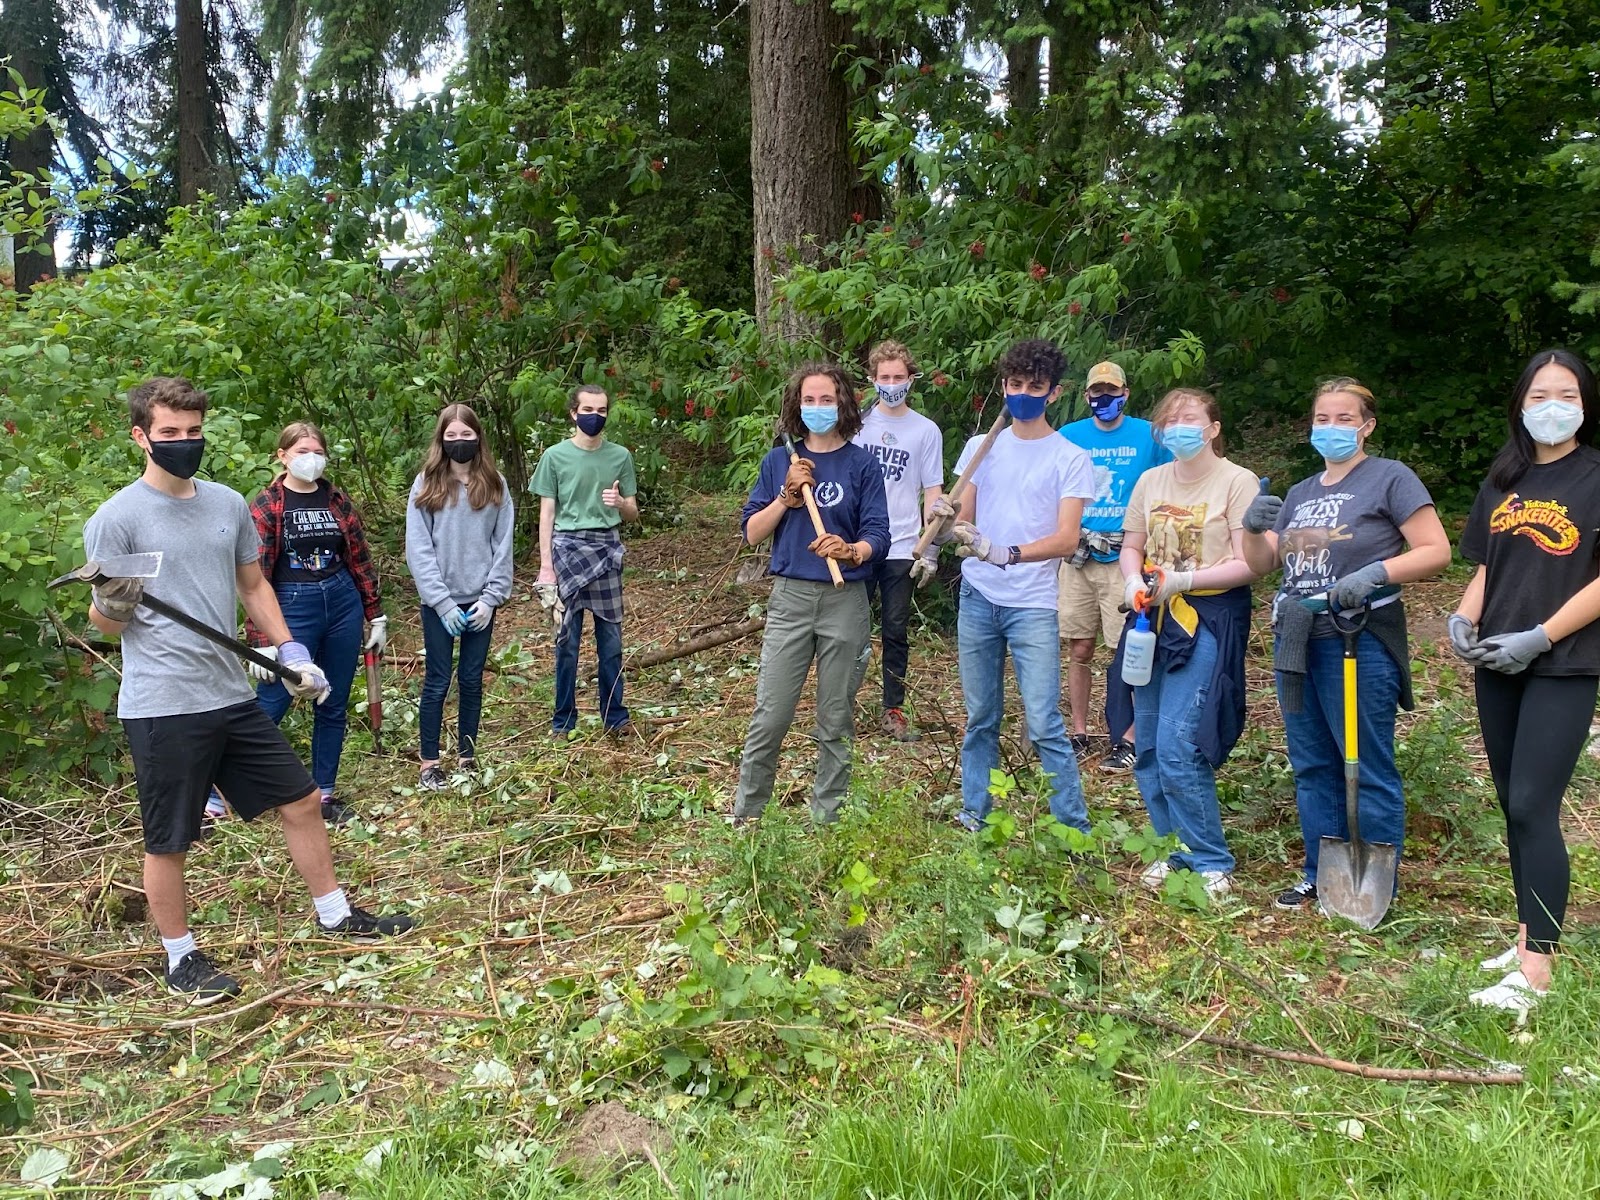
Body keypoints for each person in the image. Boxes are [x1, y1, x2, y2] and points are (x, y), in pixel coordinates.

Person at [83, 377, 412, 1005]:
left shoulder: (229, 504)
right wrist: (111, 603)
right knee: (170, 836)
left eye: (193, 431)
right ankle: (180, 960)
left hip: (229, 693)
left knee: (301, 799)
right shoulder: (116, 519)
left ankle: (336, 914)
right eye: (170, 433)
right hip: (164, 705)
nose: (184, 443)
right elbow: (103, 626)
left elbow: (254, 585)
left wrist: (289, 648)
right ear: (141, 437)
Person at [1240, 379, 1450, 911]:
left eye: (1343, 418)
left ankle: (1379, 884)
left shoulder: (1389, 478)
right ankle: (1322, 874)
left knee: (1366, 762)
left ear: (1367, 425)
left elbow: (1435, 550)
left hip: (1356, 640)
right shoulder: (1302, 492)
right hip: (1298, 641)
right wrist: (1251, 527)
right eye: (1322, 418)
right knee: (1313, 763)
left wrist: (1377, 572)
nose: (1331, 428)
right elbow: (1263, 566)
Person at [1450, 349, 1600, 1014]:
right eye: (1539, 395)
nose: (1552, 406)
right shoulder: (1504, 476)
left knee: (1535, 805)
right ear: (1520, 404)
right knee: (1515, 805)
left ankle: (1535, 978)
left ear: (1586, 403)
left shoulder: (1597, 476)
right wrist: (1462, 615)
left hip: (1563, 662)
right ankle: (1526, 939)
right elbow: (1489, 563)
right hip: (1497, 660)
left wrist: (1543, 636)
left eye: (1565, 394)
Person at [929, 338, 1096, 834]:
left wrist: (1011, 553)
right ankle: (974, 815)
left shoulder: (1069, 456)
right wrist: (946, 521)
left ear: (1053, 392)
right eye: (1016, 384)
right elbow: (963, 517)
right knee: (981, 717)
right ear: (1004, 385)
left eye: (1035, 386)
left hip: (1033, 604)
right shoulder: (983, 447)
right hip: (978, 597)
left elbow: (1068, 538)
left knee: (1044, 721)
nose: (1024, 393)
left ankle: (1074, 828)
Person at [731, 362, 890, 826]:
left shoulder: (862, 463)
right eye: (808, 400)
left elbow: (879, 534)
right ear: (796, 407)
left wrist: (851, 550)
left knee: (835, 717)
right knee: (771, 714)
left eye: (826, 399)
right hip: (791, 599)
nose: (817, 407)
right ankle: (749, 815)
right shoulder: (779, 461)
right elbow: (752, 534)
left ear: (842, 403)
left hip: (846, 600)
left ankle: (827, 816)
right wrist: (786, 497)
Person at [1120, 388, 1260, 898]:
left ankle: (1210, 858)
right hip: (1149, 619)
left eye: (1191, 418)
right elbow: (1131, 545)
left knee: (1181, 741)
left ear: (1214, 427)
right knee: (1149, 740)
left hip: (1208, 616)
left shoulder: (1237, 482)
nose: (1179, 426)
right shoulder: (1151, 480)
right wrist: (1132, 580)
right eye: (1170, 419)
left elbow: (1250, 563)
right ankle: (1170, 846)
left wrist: (1186, 579)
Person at [239, 422, 388, 826]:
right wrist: (261, 637)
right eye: (302, 450)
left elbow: (358, 557)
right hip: (291, 605)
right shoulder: (268, 504)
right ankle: (221, 792)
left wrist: (374, 612)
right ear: (282, 455)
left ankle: (324, 793)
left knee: (332, 699)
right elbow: (256, 575)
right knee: (273, 701)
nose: (311, 458)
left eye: (317, 450)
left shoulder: (336, 499)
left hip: (341, 601)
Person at [1059, 360, 1170, 772]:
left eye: (1111, 391)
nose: (1103, 399)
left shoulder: (1148, 435)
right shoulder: (1070, 436)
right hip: (1079, 555)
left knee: (1128, 649)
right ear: (1085, 395)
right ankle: (1080, 731)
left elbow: (1169, 479)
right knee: (1079, 646)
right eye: (1095, 392)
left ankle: (1128, 736)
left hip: (1127, 555)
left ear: (1125, 393)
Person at [404, 404, 515, 791]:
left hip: (480, 601)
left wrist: (491, 598)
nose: (459, 442)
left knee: (471, 678)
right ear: (441, 439)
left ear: (478, 437)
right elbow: (418, 549)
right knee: (437, 680)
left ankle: (467, 756)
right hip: (441, 604)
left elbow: (503, 547)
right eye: (451, 436)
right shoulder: (427, 484)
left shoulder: (495, 485)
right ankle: (429, 763)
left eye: (466, 435)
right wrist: (441, 601)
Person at [531, 384, 640, 739]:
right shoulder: (555, 456)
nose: (596, 417)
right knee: (566, 642)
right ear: (574, 414)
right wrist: (546, 566)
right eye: (588, 410)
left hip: (607, 549)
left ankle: (615, 717)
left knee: (611, 642)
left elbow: (633, 512)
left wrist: (620, 503)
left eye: (602, 410)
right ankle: (563, 721)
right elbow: (546, 513)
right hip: (566, 550)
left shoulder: (620, 456)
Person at [850, 340, 945, 741]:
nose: (891, 384)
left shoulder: (925, 430)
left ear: (911, 379)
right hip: (856, 543)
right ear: (872, 379)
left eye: (899, 377)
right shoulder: (855, 424)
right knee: (849, 630)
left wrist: (933, 546)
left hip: (903, 545)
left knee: (894, 628)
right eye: (884, 377)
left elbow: (933, 493)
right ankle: (841, 707)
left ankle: (893, 709)